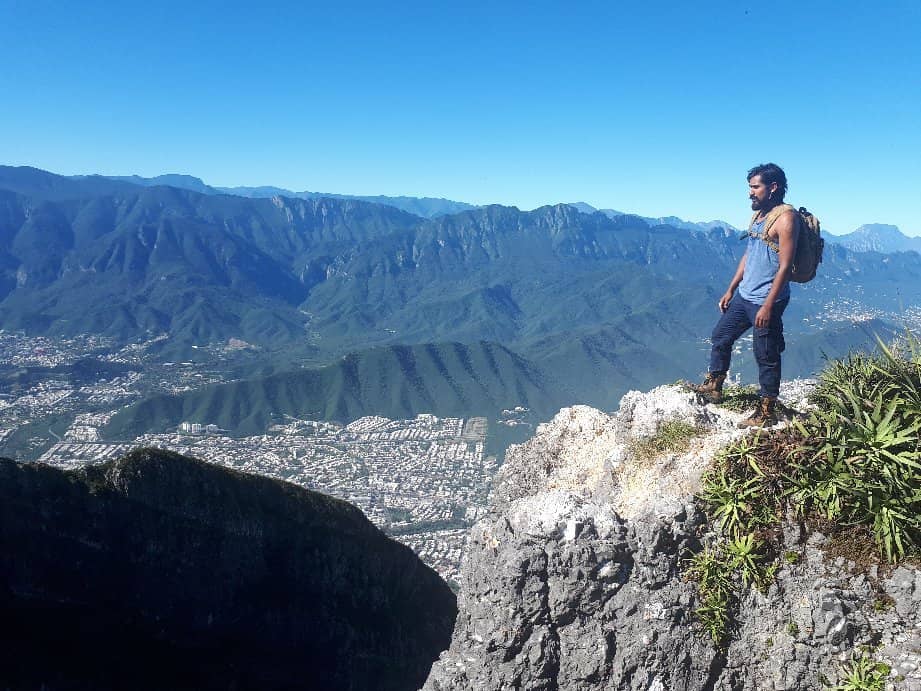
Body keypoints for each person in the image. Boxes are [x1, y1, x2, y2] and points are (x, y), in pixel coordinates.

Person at [691, 162, 799, 427]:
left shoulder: (786, 219)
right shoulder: (759, 215)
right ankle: (715, 385)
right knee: (721, 336)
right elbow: (750, 255)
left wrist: (768, 306)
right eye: (750, 187)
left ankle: (766, 411)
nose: (750, 192)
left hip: (766, 300)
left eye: (755, 187)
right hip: (745, 296)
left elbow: (785, 266)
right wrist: (731, 289)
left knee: (766, 353)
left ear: (773, 187)